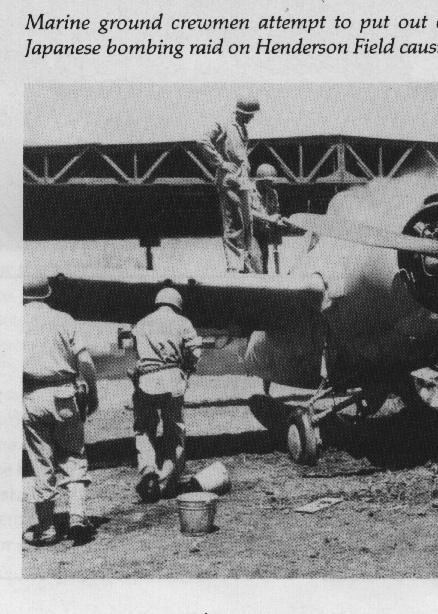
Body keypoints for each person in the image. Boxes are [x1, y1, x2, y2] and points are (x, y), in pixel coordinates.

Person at [23, 272, 98, 545]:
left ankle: (46, 528)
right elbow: (86, 363)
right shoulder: (64, 319)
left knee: (41, 463)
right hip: (65, 395)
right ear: (48, 293)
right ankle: (78, 517)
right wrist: (92, 396)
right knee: (74, 457)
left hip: (31, 396)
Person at [131, 288, 202, 502]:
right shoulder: (183, 322)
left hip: (146, 380)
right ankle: (167, 480)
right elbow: (194, 353)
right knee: (174, 430)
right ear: (177, 304)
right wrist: (187, 367)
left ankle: (148, 472)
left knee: (144, 428)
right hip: (172, 379)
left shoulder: (141, 324)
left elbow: (137, 354)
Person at [199, 98, 262, 273]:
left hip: (242, 181)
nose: (252, 118)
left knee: (246, 223)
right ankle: (234, 267)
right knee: (233, 225)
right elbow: (202, 141)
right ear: (241, 113)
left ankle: (245, 264)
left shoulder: (242, 128)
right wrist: (221, 163)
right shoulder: (224, 124)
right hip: (230, 181)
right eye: (250, 115)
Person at [251, 163, 284, 274]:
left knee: (264, 262)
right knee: (256, 261)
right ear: (261, 180)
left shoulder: (273, 193)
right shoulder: (249, 191)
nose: (271, 184)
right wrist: (268, 218)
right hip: (251, 233)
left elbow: (276, 211)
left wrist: (278, 219)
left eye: (271, 181)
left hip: (264, 232)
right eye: (268, 181)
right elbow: (248, 212)